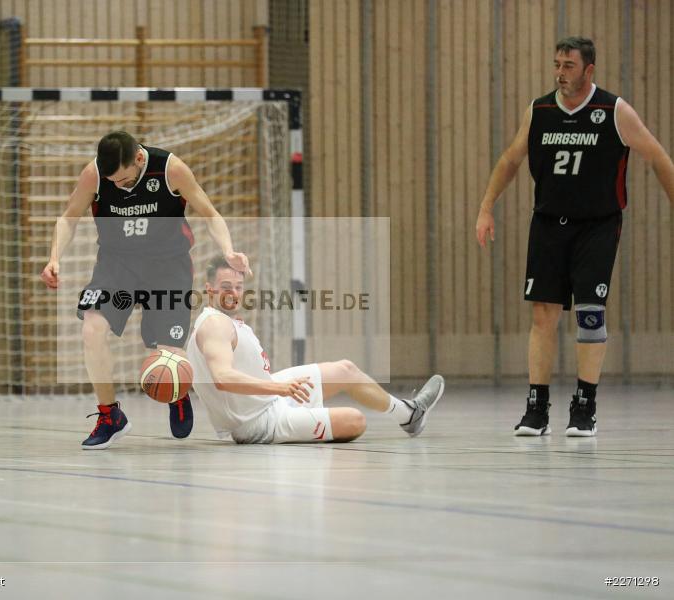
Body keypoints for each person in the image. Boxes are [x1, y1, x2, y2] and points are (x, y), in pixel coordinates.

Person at [475, 37, 674, 437]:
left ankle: (585, 406)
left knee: (589, 312)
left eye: (568, 66)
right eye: (557, 65)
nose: (560, 73)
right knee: (542, 314)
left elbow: (657, 157)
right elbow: (511, 158)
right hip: (548, 223)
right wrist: (486, 206)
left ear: (589, 70)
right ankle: (537, 408)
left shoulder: (614, 111)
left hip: (597, 225)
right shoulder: (540, 111)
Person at [40, 131, 251, 449]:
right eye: (113, 182)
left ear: (139, 159)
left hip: (167, 267)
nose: (119, 186)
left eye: (124, 180)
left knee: (168, 352)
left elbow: (209, 212)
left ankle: (176, 391)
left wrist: (228, 250)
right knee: (92, 329)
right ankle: (110, 416)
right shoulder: (93, 175)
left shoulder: (170, 169)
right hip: (117, 265)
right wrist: (54, 257)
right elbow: (69, 218)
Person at [185, 257, 445, 444]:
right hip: (257, 423)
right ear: (210, 289)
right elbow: (222, 378)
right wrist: (280, 388)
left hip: (267, 400)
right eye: (226, 287)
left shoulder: (223, 320)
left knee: (345, 370)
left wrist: (278, 390)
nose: (233, 293)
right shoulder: (216, 325)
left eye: (239, 287)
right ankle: (300, 421)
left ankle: (408, 414)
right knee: (355, 421)